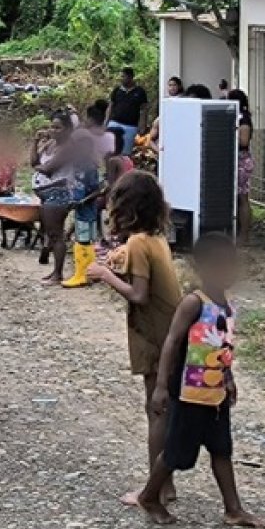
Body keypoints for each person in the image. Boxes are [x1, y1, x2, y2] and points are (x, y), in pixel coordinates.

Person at [136, 233, 265, 529]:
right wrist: (160, 386)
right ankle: (149, 495)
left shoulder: (229, 304)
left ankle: (233, 508)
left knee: (222, 449)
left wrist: (229, 378)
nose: (227, 271)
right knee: (176, 452)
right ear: (202, 267)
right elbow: (171, 342)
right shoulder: (194, 303)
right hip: (188, 392)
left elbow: (223, 345)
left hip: (216, 393)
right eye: (219, 265)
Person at [86, 170, 181, 507]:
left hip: (158, 336)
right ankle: (165, 486)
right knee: (164, 410)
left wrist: (105, 275)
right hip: (170, 331)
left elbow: (139, 295)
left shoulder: (140, 243)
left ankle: (153, 490)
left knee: (156, 410)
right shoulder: (155, 239)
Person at [31, 112, 76, 284]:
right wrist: (35, 142)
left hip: (59, 193)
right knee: (51, 232)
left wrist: (38, 166)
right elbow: (34, 161)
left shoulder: (68, 149)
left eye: (58, 127)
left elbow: (48, 169)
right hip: (48, 194)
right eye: (52, 127)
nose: (53, 131)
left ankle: (58, 274)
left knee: (56, 235)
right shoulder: (50, 144)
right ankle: (54, 272)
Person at [62, 129, 102, 289]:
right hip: (80, 209)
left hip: (87, 210)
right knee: (83, 241)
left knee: (83, 242)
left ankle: (82, 275)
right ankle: (88, 273)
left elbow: (98, 190)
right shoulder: (78, 165)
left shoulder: (90, 168)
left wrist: (83, 201)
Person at [227, 90, 255, 245]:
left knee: (242, 198)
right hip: (236, 160)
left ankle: (244, 236)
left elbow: (243, 142)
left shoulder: (243, 119)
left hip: (242, 161)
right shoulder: (237, 116)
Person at [105, 67, 149, 156]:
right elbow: (110, 106)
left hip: (130, 126)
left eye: (123, 76)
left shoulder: (140, 91)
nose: (121, 79)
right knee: (110, 150)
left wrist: (142, 125)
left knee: (125, 153)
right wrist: (106, 122)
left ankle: (123, 169)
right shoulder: (117, 90)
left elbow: (144, 109)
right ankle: (110, 168)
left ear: (130, 77)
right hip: (115, 123)